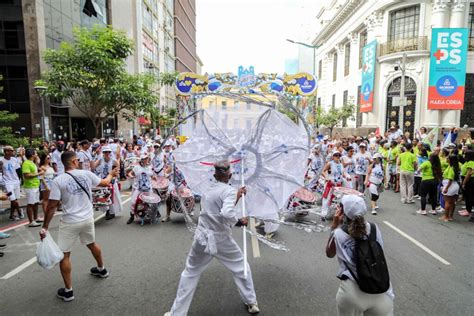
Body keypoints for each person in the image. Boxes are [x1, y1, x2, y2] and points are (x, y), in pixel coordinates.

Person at [164, 160, 259, 315]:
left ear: (215, 175)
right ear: (230, 175)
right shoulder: (228, 191)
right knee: (242, 268)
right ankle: (251, 301)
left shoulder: (209, 190)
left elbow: (216, 209)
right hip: (220, 239)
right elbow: (226, 213)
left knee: (190, 273)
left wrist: (237, 196)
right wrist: (239, 222)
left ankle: (176, 313)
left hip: (202, 237)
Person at [39, 151, 118, 301]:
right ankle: (101, 269)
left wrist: (45, 227)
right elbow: (105, 182)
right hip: (88, 218)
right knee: (91, 243)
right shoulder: (86, 174)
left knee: (65, 255)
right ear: (74, 161)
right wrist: (111, 174)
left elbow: (52, 206)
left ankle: (68, 291)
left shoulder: (58, 180)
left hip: (69, 221)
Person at [326, 195, 393, 316]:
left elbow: (329, 253)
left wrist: (334, 225)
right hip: (380, 289)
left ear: (342, 211)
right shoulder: (374, 228)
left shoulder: (338, 233)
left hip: (352, 292)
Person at [127, 153, 156, 224]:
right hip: (138, 189)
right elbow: (130, 173)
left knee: (152, 202)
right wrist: (131, 175)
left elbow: (152, 176)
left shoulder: (149, 167)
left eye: (147, 158)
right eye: (145, 159)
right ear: (142, 160)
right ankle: (132, 216)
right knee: (133, 202)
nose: (147, 160)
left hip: (148, 188)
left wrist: (154, 178)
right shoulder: (136, 167)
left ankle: (154, 214)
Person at [94, 146, 122, 220]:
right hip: (103, 181)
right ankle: (107, 211)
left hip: (111, 181)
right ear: (103, 153)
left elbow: (117, 170)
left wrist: (114, 177)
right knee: (104, 196)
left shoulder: (113, 161)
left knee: (112, 196)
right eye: (105, 152)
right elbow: (93, 166)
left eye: (108, 152)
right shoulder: (100, 160)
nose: (107, 153)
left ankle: (111, 212)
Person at [0, 146, 24, 220]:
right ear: (6, 152)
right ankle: (20, 211)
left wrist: (21, 179)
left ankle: (12, 215)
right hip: (7, 183)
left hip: (16, 181)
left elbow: (18, 170)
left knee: (14, 200)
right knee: (13, 199)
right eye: (11, 151)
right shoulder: (1, 160)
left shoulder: (14, 160)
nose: (13, 152)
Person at [22, 148, 43, 227]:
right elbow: (26, 175)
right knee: (30, 204)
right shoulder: (26, 163)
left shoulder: (32, 162)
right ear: (32, 154)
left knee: (36, 203)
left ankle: (36, 218)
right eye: (36, 153)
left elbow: (36, 170)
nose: (37, 154)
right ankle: (31, 221)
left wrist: (37, 164)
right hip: (30, 186)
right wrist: (39, 173)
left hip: (35, 185)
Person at [440, 155, 460, 222]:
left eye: (448, 158)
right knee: (452, 202)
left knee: (447, 201)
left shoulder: (451, 168)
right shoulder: (455, 167)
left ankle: (446, 216)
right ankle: (450, 216)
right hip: (454, 185)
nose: (446, 158)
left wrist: (446, 188)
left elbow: (450, 179)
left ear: (451, 160)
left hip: (450, 185)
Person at [39, 153, 55, 218]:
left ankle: (48, 212)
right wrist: (45, 185)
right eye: (47, 158)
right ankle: (46, 213)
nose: (49, 159)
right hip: (46, 182)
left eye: (49, 158)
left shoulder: (50, 166)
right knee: (45, 199)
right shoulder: (42, 167)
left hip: (52, 181)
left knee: (50, 198)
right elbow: (41, 177)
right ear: (44, 159)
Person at [461, 150, 474, 222]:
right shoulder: (467, 162)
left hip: (470, 180)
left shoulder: (471, 162)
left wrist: (464, 182)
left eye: (465, 154)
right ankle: (467, 209)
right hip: (466, 179)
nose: (464, 155)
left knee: (469, 196)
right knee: (466, 195)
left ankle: (468, 211)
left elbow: (469, 174)